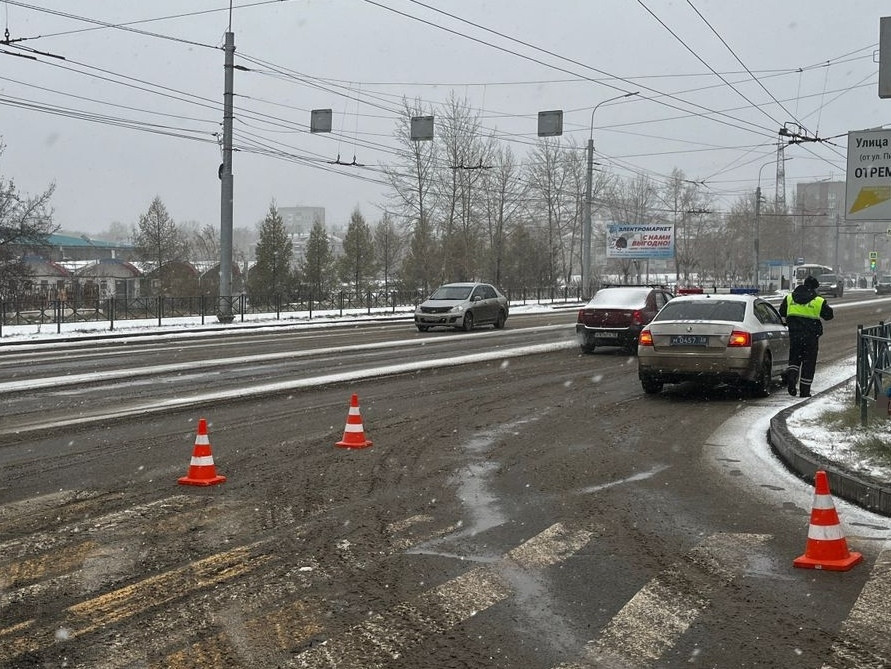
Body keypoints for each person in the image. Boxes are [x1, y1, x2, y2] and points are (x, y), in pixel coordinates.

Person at [779, 275, 834, 398]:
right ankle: (804, 391)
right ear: (814, 288)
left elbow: (782, 312)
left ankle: (792, 378)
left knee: (794, 360)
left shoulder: (789, 298)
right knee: (809, 364)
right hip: (811, 337)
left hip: (795, 335)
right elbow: (829, 315)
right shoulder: (818, 300)